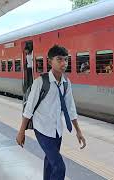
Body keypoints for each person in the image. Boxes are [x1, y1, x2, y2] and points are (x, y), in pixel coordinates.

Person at [16, 45, 86, 180]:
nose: (64, 63)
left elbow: (70, 107)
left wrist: (78, 131)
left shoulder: (66, 83)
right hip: (42, 129)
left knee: (50, 162)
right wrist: (21, 131)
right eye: (59, 59)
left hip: (57, 131)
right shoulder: (40, 82)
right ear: (49, 62)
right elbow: (29, 109)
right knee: (59, 166)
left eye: (66, 60)